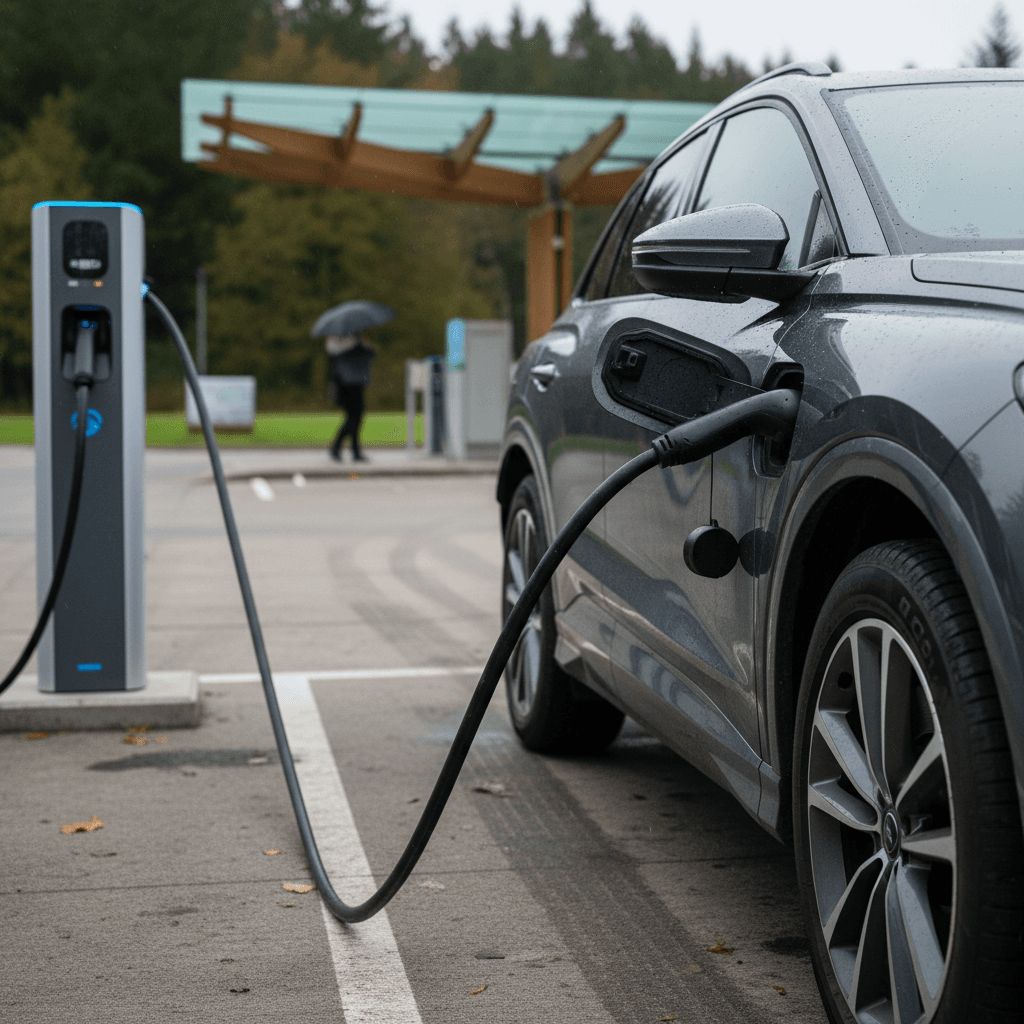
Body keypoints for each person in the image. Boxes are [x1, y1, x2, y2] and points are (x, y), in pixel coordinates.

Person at [326, 333, 376, 461]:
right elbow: (370, 355)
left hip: (348, 384)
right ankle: (345, 449)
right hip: (352, 385)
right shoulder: (351, 346)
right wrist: (365, 346)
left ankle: (347, 449)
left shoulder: (339, 348)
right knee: (354, 418)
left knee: (353, 418)